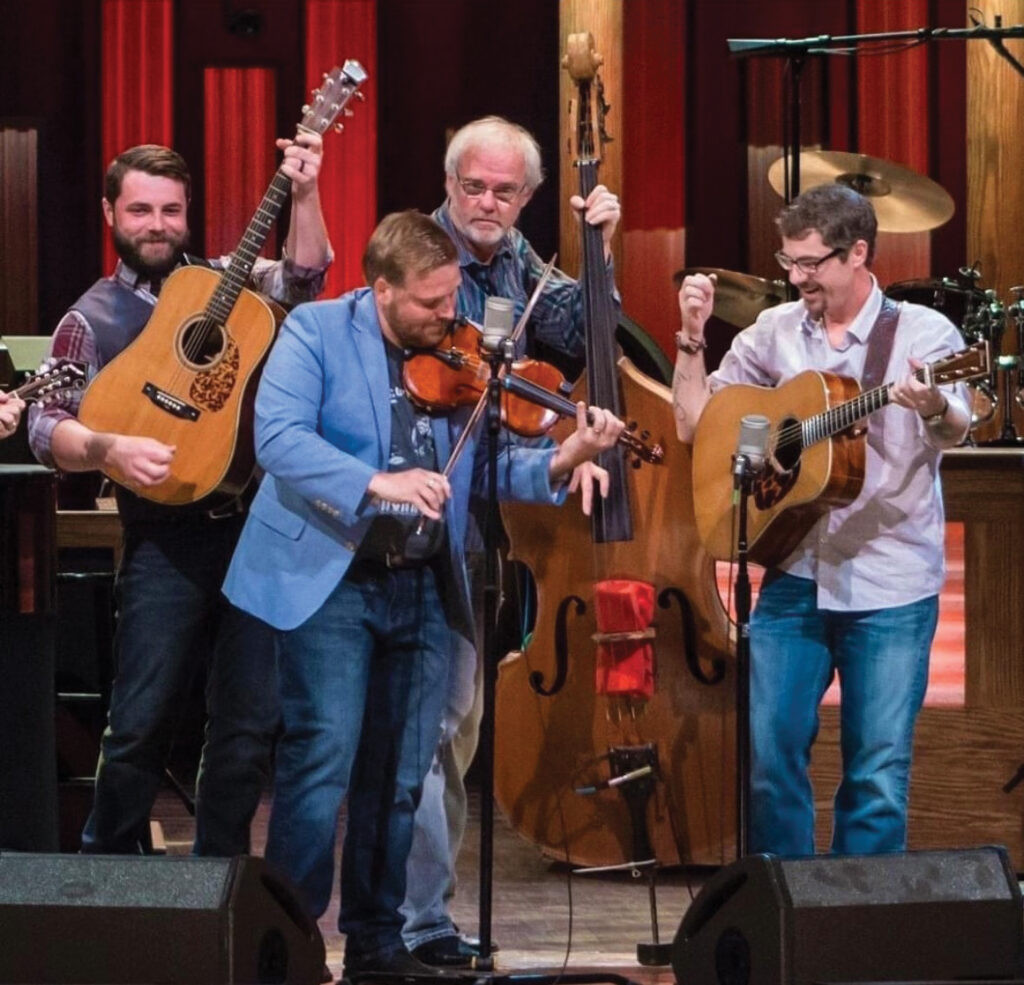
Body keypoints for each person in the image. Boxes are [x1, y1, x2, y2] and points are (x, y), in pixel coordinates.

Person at [222, 210, 623, 982]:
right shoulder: (314, 332)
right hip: (334, 580)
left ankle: (377, 942)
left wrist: (566, 454)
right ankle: (283, 943)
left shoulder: (455, 351)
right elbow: (277, 437)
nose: (451, 319)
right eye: (433, 305)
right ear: (382, 289)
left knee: (401, 773)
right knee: (322, 762)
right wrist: (376, 480)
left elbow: (486, 470)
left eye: (453, 303)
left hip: (423, 583)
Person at [28, 136, 332, 855]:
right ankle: (108, 880)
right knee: (139, 719)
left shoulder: (223, 283)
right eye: (139, 210)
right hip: (165, 539)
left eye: (171, 209)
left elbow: (305, 274)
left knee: (247, 725)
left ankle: (217, 886)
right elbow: (46, 426)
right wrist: (108, 447)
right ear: (110, 212)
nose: (157, 224)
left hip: (256, 527)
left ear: (188, 212)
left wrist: (308, 190)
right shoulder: (89, 318)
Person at [672, 184, 970, 856]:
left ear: (858, 252)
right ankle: (787, 922)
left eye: (811, 263)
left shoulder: (924, 335)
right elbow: (699, 425)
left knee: (877, 776)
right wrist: (691, 342)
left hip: (890, 582)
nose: (797, 277)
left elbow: (958, 425)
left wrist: (928, 405)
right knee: (770, 760)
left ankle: (859, 935)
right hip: (795, 574)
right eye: (789, 262)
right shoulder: (772, 334)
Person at [403, 115, 622, 966]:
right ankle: (416, 921)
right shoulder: (415, 255)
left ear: (528, 196)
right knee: (432, 725)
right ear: (451, 182)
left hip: (502, 511)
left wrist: (600, 249)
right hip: (421, 512)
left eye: (505, 191)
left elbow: (592, 338)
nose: (486, 203)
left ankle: (423, 915)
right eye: (473, 187)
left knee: (457, 726)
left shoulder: (532, 270)